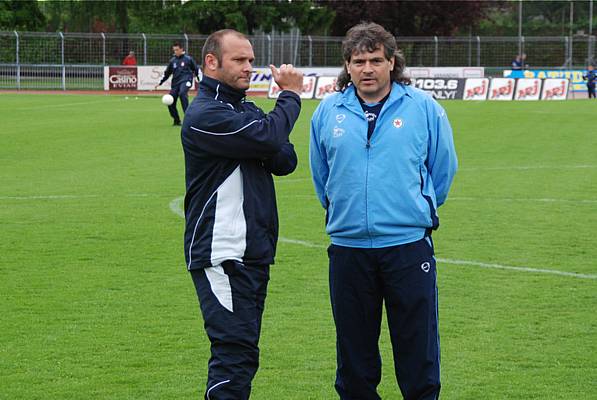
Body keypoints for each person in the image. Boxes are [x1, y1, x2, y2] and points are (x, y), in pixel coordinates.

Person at [309, 22, 458, 400]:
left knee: (417, 351)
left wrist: (412, 208)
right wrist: (346, 213)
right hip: (348, 250)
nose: (367, 69)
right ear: (348, 65)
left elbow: (443, 168)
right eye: (359, 61)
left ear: (392, 62)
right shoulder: (328, 112)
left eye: (376, 59)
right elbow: (321, 174)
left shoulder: (423, 108)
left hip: (407, 247)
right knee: (354, 355)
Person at [181, 29, 303, 399]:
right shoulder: (205, 114)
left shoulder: (241, 108)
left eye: (251, 59)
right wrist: (290, 97)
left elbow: (285, 160)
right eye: (239, 60)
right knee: (233, 355)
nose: (249, 67)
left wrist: (268, 132)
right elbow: (269, 140)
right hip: (222, 252)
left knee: (243, 353)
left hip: (252, 253)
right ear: (212, 63)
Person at [155, 42, 200, 125]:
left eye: (177, 50)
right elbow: (167, 73)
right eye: (174, 50)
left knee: (182, 93)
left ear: (182, 49)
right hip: (175, 84)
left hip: (186, 80)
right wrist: (160, 83)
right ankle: (176, 120)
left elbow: (196, 69)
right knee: (169, 100)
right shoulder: (172, 61)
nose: (175, 51)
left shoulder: (188, 59)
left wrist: (198, 79)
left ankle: (188, 119)